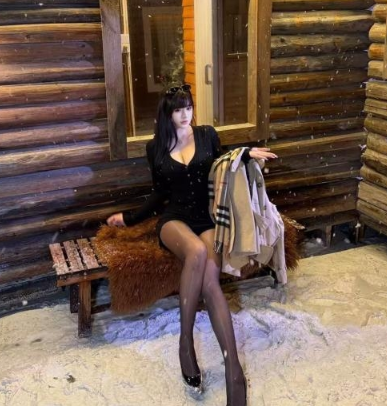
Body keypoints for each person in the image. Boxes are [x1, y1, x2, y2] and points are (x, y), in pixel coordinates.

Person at [107, 84, 277, 406]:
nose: (186, 114)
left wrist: (246, 153)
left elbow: (224, 163)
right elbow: (159, 193)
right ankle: (186, 342)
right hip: (174, 220)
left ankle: (233, 368)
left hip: (206, 218)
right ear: (168, 113)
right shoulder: (156, 147)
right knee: (196, 252)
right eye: (178, 109)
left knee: (210, 280)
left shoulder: (206, 135)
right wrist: (129, 218)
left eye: (189, 107)